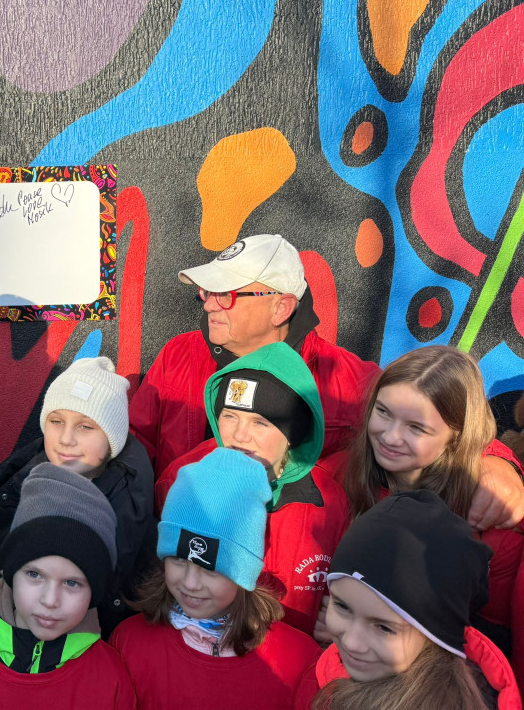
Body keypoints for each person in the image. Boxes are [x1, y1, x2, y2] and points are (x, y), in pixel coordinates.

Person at [128, 234, 524, 530]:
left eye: (228, 294)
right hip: (176, 554)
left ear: (281, 306)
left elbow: (433, 414)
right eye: (207, 291)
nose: (210, 303)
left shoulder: (344, 378)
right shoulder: (179, 353)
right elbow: (134, 442)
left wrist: (497, 463)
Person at [343, 345, 524, 691]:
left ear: (457, 435)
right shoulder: (341, 480)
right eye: (383, 412)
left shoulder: (495, 524)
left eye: (416, 427)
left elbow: (493, 648)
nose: (391, 436)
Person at [154, 342, 347, 637]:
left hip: (290, 665)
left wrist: (338, 622)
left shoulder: (328, 502)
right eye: (230, 416)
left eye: (260, 422)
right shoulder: (183, 481)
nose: (239, 435)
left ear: (292, 435)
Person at [111, 447, 320, 709]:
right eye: (178, 560)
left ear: (244, 572)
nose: (189, 583)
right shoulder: (129, 643)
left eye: (209, 568)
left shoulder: (296, 660)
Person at [0, 464, 136, 709]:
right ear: (11, 573)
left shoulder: (110, 680)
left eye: (72, 583)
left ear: (94, 592)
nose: (50, 600)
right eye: (35, 575)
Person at [295, 490, 520, 709]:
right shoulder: (325, 669)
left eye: (384, 628)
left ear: (437, 638)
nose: (351, 642)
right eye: (342, 606)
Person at [0, 357, 155, 636]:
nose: (65, 439)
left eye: (85, 427)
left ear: (113, 439)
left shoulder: (131, 509)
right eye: (56, 421)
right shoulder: (16, 480)